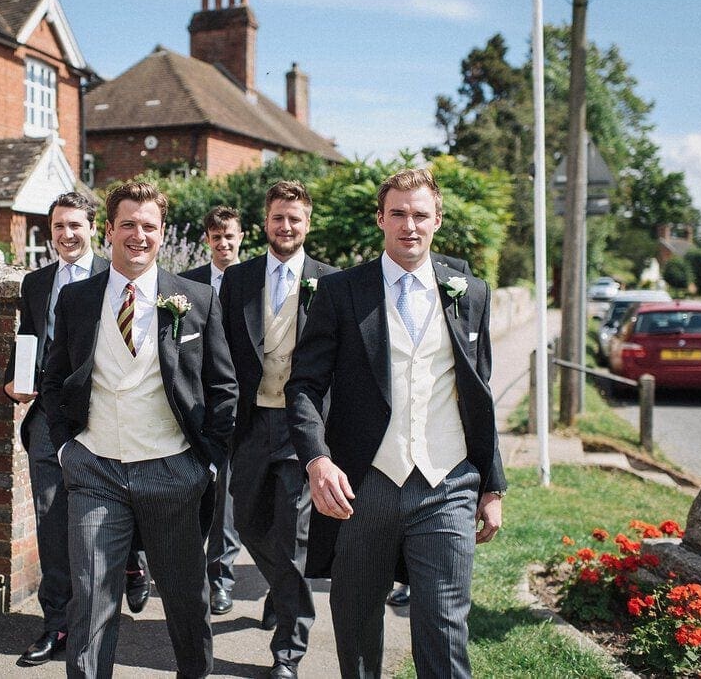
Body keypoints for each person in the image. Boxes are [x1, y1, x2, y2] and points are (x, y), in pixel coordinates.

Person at [285, 167, 507, 678]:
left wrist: (491, 485)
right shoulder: (341, 292)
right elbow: (303, 386)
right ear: (381, 218)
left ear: (438, 220)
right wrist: (318, 460)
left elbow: (480, 394)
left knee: (445, 625)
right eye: (400, 214)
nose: (410, 225)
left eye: (421, 215)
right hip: (364, 485)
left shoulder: (469, 293)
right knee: (358, 625)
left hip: (447, 480)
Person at [43, 181, 238, 679]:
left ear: (162, 232)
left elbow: (224, 387)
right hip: (95, 470)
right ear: (108, 230)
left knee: (186, 603)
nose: (138, 235)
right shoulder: (78, 299)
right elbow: (54, 377)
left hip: (174, 471)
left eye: (149, 226)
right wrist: (67, 449)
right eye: (127, 224)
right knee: (91, 602)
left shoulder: (194, 298)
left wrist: (208, 463)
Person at [2, 192, 149, 667]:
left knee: (118, 512)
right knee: (52, 522)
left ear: (97, 229)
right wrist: (14, 378)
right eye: (59, 226)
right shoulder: (36, 282)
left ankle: (130, 562)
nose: (67, 235)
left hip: (104, 418)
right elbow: (29, 338)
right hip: (48, 417)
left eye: (76, 226)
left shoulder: (115, 276)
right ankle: (56, 625)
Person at [218, 181, 337, 679]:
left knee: (293, 537)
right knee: (247, 524)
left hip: (300, 427)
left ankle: (288, 650)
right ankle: (285, 590)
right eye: (277, 218)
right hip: (249, 422)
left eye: (295, 219)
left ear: (307, 223)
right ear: (265, 223)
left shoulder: (331, 282)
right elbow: (221, 352)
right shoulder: (239, 279)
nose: (285, 227)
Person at [180, 205, 245, 616]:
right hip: (193, 402)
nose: (223, 243)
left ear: (242, 237)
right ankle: (181, 569)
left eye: (230, 236)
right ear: (207, 240)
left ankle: (220, 577)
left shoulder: (253, 281)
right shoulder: (186, 284)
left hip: (238, 402)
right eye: (216, 237)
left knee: (226, 495)